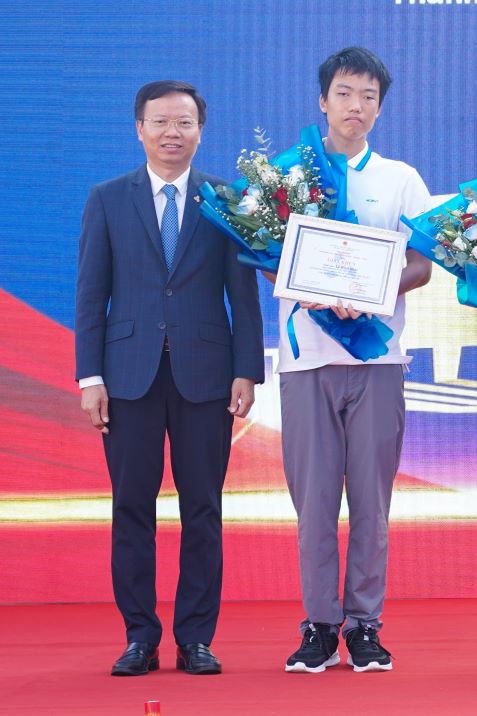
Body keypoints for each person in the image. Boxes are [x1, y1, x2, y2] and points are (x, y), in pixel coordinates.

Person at [75, 80, 265, 676]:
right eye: (160, 122)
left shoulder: (226, 201)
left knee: (202, 507)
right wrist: (89, 376)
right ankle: (140, 636)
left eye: (184, 122)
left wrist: (247, 370)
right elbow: (91, 294)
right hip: (126, 377)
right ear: (140, 129)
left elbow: (243, 296)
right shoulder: (108, 198)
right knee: (131, 507)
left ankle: (195, 638)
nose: (171, 132)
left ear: (200, 130)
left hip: (206, 376)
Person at [279, 47, 433, 674]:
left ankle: (365, 625)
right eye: (344, 93)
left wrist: (375, 290)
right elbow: (265, 258)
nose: (356, 106)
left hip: (378, 360)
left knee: (372, 500)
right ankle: (319, 625)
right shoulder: (290, 175)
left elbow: (423, 264)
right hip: (307, 361)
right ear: (323, 100)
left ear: (379, 107)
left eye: (369, 96)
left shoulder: (401, 179)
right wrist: (311, 289)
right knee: (315, 503)